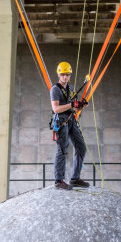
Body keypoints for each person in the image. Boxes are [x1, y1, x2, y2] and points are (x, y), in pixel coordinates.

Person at [50, 62, 89, 190]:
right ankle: (58, 180)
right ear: (59, 74)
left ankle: (75, 178)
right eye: (63, 75)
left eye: (67, 74)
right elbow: (56, 109)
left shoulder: (71, 89)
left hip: (71, 120)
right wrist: (72, 105)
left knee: (81, 147)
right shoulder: (55, 89)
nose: (65, 77)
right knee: (62, 149)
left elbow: (74, 106)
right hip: (61, 122)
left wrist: (80, 105)